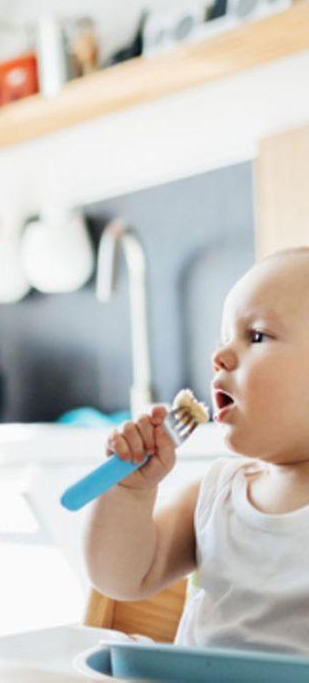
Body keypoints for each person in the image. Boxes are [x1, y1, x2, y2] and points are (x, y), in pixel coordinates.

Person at [84, 247, 309, 653]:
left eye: (256, 336)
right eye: (225, 339)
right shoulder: (214, 495)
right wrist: (129, 493)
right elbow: (121, 578)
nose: (218, 357)